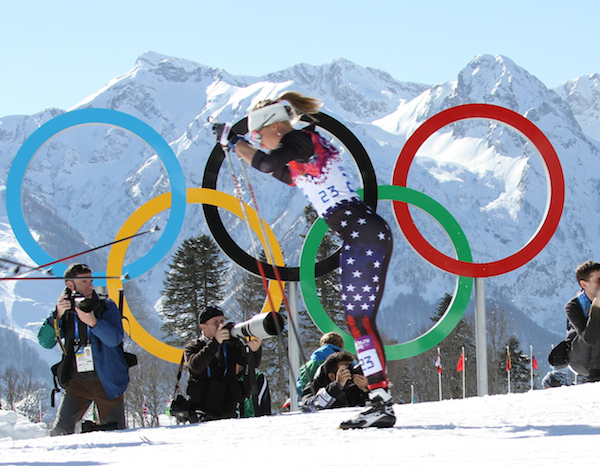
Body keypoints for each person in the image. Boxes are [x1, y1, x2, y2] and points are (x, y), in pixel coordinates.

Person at [214, 91, 396, 428]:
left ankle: (380, 401)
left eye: (260, 135)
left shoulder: (299, 137)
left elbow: (268, 162)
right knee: (359, 322)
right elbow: (279, 172)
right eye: (256, 139)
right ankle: (379, 399)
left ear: (274, 126)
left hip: (363, 237)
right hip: (364, 235)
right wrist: (239, 145)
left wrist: (236, 141)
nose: (261, 142)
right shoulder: (302, 149)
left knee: (360, 322)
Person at [37, 263, 129, 436]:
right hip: (77, 381)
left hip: (108, 381)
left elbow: (115, 339)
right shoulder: (65, 310)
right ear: (70, 285)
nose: (89, 285)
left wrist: (94, 322)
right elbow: (45, 342)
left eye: (91, 280)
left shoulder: (105, 306)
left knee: (115, 432)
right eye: (84, 281)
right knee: (61, 431)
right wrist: (57, 316)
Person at [184, 305, 264, 421]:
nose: (220, 325)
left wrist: (255, 350)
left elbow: (251, 364)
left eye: (222, 321)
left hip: (229, 409)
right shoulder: (193, 347)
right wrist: (215, 342)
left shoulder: (231, 346)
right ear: (203, 327)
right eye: (215, 322)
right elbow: (195, 366)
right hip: (201, 410)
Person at [564, 260, 600, 381]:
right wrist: (596, 309)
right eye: (598, 280)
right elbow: (589, 338)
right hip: (581, 359)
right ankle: (595, 373)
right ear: (584, 285)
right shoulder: (573, 306)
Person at [301, 351, 369, 411]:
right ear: (332, 376)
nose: (350, 373)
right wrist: (336, 386)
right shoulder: (316, 385)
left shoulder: (355, 388)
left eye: (351, 368)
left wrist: (366, 390)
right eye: (344, 370)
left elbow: (375, 410)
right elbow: (308, 407)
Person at [296, 331, 344, 396]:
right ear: (340, 346)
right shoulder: (347, 362)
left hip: (312, 402)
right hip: (341, 402)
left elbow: (300, 387)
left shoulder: (306, 367)